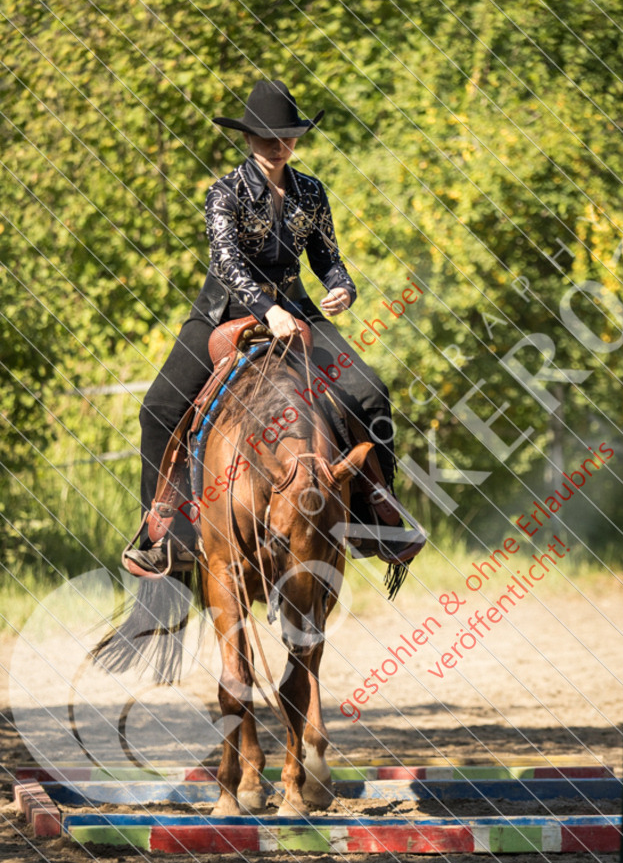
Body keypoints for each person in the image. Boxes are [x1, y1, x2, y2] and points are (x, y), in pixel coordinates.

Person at [125, 80, 424, 574]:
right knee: (158, 408)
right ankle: (165, 535)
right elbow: (227, 262)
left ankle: (378, 510)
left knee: (371, 391)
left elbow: (328, 259)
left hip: (299, 312)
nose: (277, 145)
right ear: (247, 139)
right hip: (222, 311)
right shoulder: (223, 192)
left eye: (286, 136)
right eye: (266, 137)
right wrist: (267, 310)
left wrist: (343, 288)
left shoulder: (311, 191)